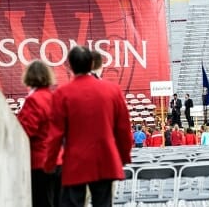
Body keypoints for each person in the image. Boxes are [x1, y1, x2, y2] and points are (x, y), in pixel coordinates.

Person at [43, 45, 132, 207]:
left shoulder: (62, 94)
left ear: (70, 65)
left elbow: (55, 134)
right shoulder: (112, 90)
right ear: (92, 64)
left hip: (74, 162)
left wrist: (49, 163)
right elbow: (123, 129)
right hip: (105, 159)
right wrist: (124, 156)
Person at [17, 59, 60, 207]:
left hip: (41, 162)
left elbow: (25, 130)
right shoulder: (56, 98)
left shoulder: (34, 100)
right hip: (58, 161)